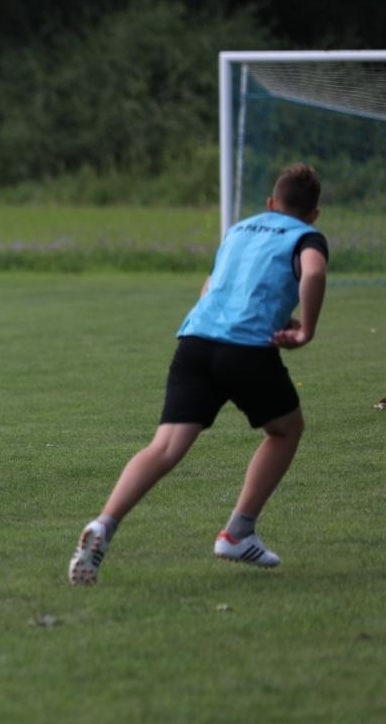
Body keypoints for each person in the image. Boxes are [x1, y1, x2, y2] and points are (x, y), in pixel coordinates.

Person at [69, 162, 328, 585]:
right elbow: (313, 271)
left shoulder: (239, 231)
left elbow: (212, 287)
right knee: (286, 430)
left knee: (164, 447)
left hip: (195, 342)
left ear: (270, 203)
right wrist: (306, 330)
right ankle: (238, 532)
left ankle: (104, 524)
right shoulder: (306, 236)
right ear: (313, 214)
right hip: (245, 349)